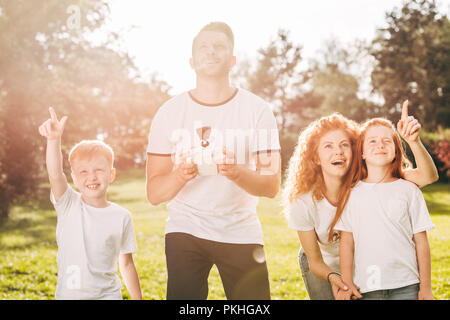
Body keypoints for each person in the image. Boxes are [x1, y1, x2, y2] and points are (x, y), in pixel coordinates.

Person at [146, 22, 281, 300]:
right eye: (203, 47)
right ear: (191, 61)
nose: (210, 52)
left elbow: (270, 186)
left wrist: (235, 172)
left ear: (232, 60)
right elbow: (154, 193)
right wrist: (180, 175)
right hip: (185, 227)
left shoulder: (258, 110)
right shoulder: (169, 112)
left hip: (240, 229)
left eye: (219, 46)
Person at [283, 101, 438, 300]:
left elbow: (427, 177)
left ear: (356, 151)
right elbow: (315, 261)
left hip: (365, 264)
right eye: (328, 146)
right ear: (316, 157)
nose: (338, 151)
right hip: (323, 264)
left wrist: (413, 142)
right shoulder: (303, 201)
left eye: (344, 145)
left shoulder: (370, 180)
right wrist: (336, 278)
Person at [38, 107, 142, 300]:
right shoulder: (68, 204)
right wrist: (53, 140)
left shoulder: (122, 216)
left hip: (108, 295)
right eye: (83, 172)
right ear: (75, 178)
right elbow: (54, 173)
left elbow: (126, 263)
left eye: (99, 170)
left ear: (111, 174)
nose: (92, 177)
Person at [333, 117, 435, 300]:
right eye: (372, 141)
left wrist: (425, 288)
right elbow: (346, 243)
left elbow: (421, 242)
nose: (380, 145)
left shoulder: (409, 190)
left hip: (407, 285)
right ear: (361, 153)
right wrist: (347, 283)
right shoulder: (350, 194)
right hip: (367, 287)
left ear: (396, 152)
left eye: (387, 141)